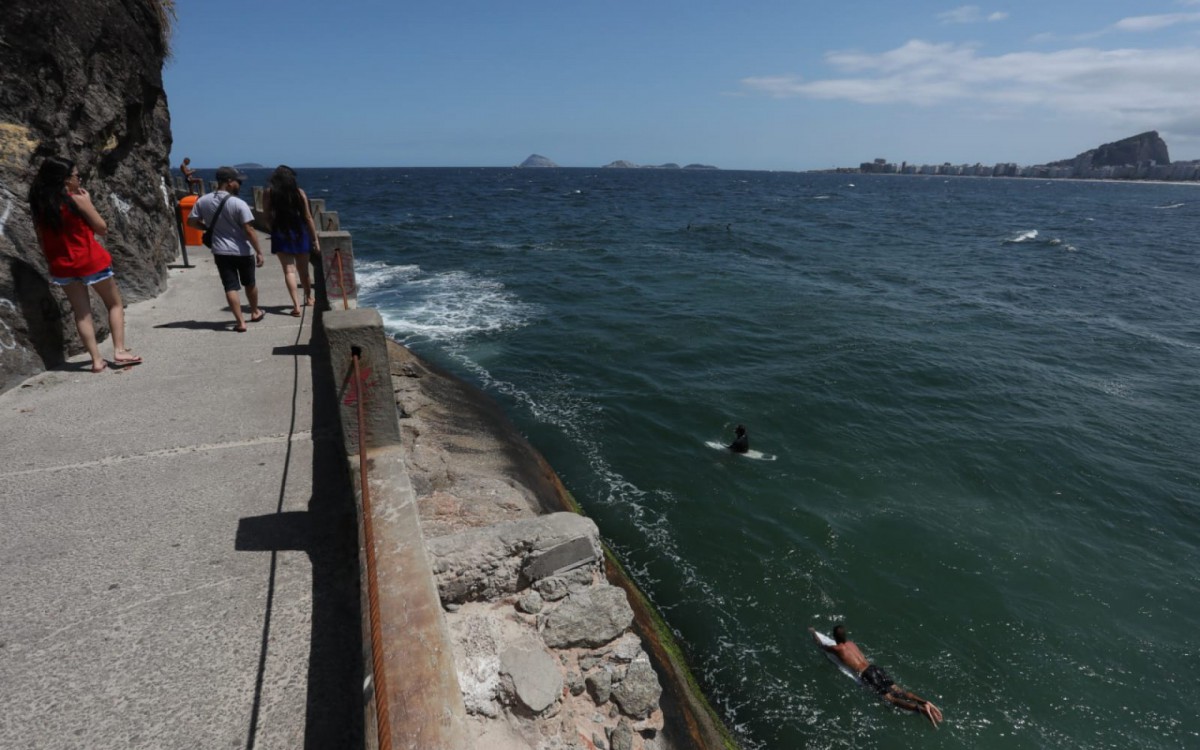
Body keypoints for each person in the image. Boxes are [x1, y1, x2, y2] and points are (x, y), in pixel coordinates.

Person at [28, 156, 142, 373]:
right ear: (65, 179)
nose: (78, 179)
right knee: (115, 304)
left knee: (82, 313)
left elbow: (41, 238)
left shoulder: (40, 204)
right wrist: (88, 203)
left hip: (62, 265)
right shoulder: (76, 200)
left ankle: (96, 360)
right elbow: (101, 227)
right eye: (76, 176)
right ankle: (119, 350)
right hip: (90, 261)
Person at [810, 625, 943, 728]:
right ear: (845, 636)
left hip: (867, 674)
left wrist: (813, 632)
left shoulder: (837, 649)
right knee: (899, 690)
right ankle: (924, 702)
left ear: (834, 637)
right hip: (874, 668)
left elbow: (822, 645)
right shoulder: (851, 644)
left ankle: (920, 709)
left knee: (891, 699)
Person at [186, 166, 264, 332]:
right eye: (238, 181)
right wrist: (259, 251)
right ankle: (255, 312)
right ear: (229, 183)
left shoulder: (203, 200)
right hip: (242, 250)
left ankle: (240, 322)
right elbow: (249, 230)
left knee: (230, 286)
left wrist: (207, 228)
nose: (240, 185)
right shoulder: (238, 203)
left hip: (220, 251)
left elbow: (191, 222)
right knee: (249, 283)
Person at [262, 165, 320, 316]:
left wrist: (272, 229)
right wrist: (314, 239)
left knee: (289, 271)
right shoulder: (299, 193)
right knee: (304, 270)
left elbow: (267, 216)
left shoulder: (269, 193)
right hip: (300, 232)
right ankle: (309, 298)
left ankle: (296, 306)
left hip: (281, 232)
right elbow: (308, 217)